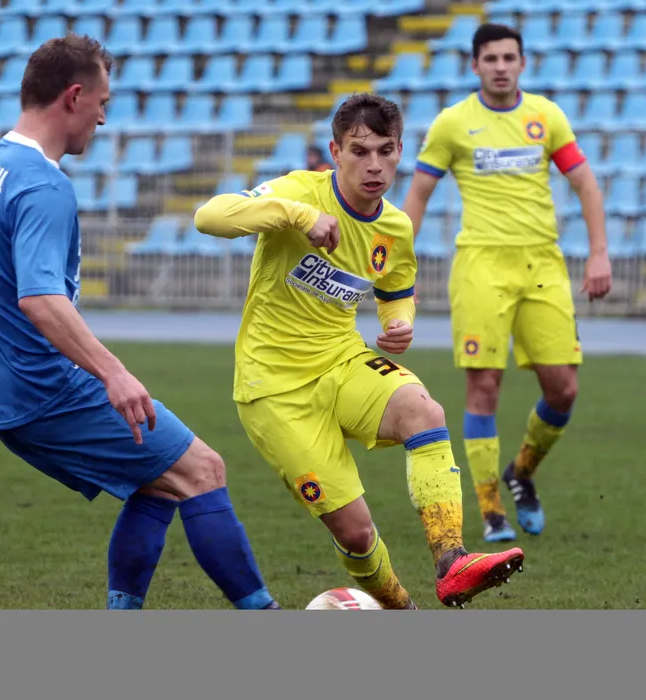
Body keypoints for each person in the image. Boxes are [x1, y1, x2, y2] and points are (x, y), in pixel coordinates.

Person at [0, 34, 281, 611]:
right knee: (203, 469)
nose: (103, 118)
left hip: (4, 391)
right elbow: (40, 300)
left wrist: (1, 349)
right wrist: (112, 373)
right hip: (47, 390)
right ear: (73, 97)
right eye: (102, 103)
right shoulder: (44, 184)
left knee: (160, 481)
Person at [194, 92, 524, 609]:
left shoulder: (395, 226)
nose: (374, 165)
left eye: (385, 151)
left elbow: (396, 291)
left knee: (424, 411)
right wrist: (297, 216)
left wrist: (399, 324)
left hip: (343, 360)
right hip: (273, 389)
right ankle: (400, 609)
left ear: (399, 151)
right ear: (336, 152)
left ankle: (452, 561)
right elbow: (208, 216)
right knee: (356, 533)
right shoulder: (299, 191)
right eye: (359, 151)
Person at [402, 23, 613, 543]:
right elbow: (419, 195)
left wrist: (599, 254)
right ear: (475, 65)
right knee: (484, 386)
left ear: (522, 63)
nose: (500, 66)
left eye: (509, 57)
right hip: (481, 266)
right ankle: (491, 508)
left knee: (563, 389)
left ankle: (521, 471)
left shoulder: (546, 116)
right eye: (491, 58)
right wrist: (399, 271)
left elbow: (585, 184)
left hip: (542, 265)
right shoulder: (453, 123)